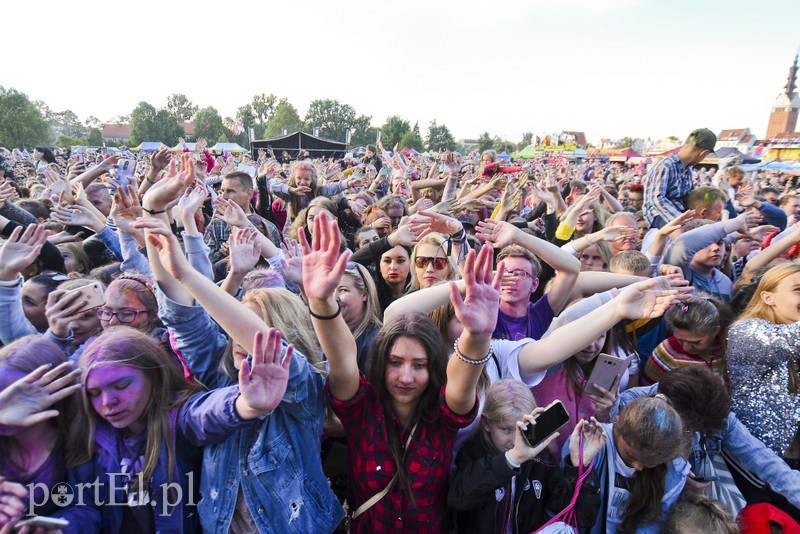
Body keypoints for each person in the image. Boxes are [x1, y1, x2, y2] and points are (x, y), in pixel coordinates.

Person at [135, 207, 343, 532]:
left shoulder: (305, 389)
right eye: (235, 329)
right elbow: (183, 319)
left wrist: (188, 275)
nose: (240, 339)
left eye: (251, 329)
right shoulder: (220, 376)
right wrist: (155, 210)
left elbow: (273, 349)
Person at [304, 211, 502, 533]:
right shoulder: (362, 409)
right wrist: (322, 303)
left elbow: (462, 381)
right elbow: (342, 361)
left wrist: (478, 336)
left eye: (419, 365)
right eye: (395, 363)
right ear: (380, 363)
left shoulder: (442, 416)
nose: (406, 377)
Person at [448, 379, 604, 533]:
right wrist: (511, 460)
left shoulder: (541, 458)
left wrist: (579, 468)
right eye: (506, 429)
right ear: (486, 423)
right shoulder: (472, 452)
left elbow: (582, 517)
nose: (515, 441)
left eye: (523, 430)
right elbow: (458, 499)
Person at [565, 396, 690, 534]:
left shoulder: (672, 471)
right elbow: (562, 505)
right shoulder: (587, 444)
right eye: (631, 456)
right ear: (618, 422)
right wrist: (578, 467)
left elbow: (655, 522)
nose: (638, 467)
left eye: (649, 463)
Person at [0, 337, 83, 526]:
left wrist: (58, 529)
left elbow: (88, 508)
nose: (9, 406)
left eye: (18, 397)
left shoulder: (78, 440)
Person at [727, 263, 800, 466]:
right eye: (798, 290)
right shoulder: (745, 331)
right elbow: (790, 340)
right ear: (768, 298)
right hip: (756, 463)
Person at [643, 295, 732, 384]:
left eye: (696, 342)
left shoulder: (729, 349)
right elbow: (648, 387)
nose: (686, 348)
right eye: (680, 340)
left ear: (715, 331)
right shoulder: (666, 353)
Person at [644, 128, 716, 229]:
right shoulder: (666, 166)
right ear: (703, 152)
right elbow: (657, 200)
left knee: (709, 227)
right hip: (659, 215)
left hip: (679, 214)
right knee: (689, 234)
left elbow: (688, 198)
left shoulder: (687, 169)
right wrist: (681, 220)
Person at [204, 171, 281, 263]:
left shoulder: (269, 227)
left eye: (230, 191)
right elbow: (203, 263)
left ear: (249, 194)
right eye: (221, 191)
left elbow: (279, 263)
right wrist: (224, 253)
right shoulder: (217, 224)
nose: (223, 196)